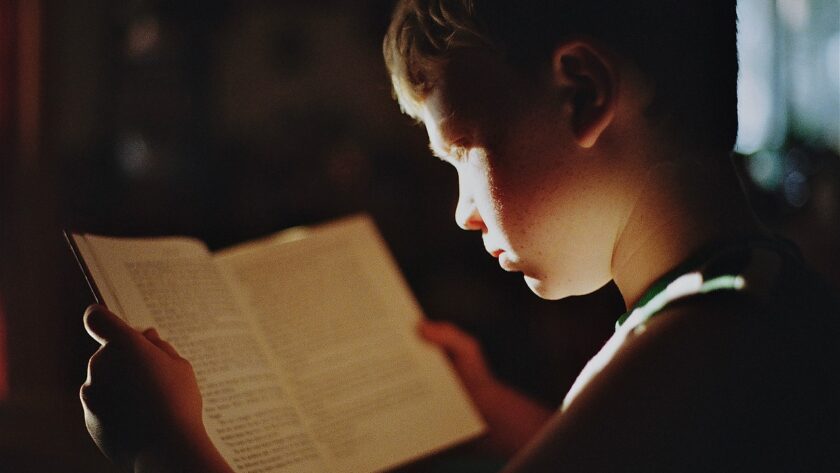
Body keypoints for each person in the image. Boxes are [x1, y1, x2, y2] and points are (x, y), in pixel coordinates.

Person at [81, 1, 840, 471]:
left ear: (582, 93)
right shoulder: (744, 296)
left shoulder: (699, 345)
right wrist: (487, 406)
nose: (462, 212)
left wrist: (167, 446)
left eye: (465, 153)